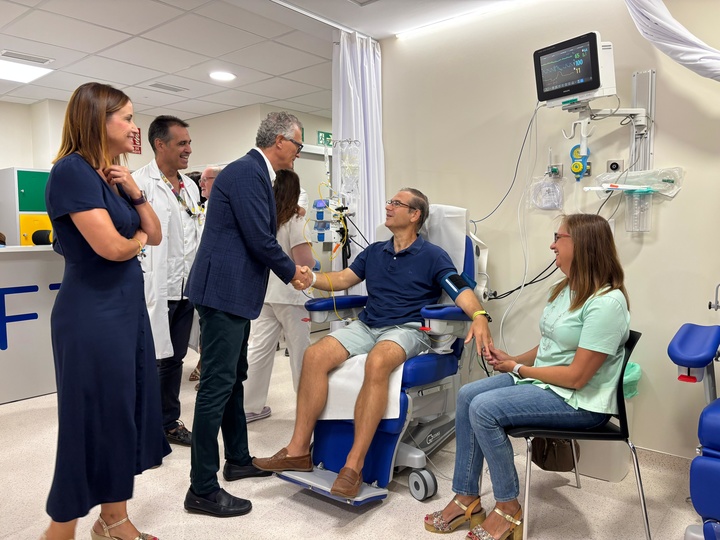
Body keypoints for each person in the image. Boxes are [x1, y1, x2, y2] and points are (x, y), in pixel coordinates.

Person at [253, 188, 493, 499]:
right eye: (390, 201)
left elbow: (459, 289)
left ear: (415, 215)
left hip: (407, 328)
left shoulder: (433, 255)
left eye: (397, 203)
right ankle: (298, 450)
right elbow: (343, 278)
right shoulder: (375, 251)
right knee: (314, 355)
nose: (388, 206)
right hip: (368, 325)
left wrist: (479, 315)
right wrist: (310, 278)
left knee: (378, 360)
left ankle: (354, 465)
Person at [423, 213, 630, 540]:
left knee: (484, 409)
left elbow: (577, 377)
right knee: (467, 396)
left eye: (558, 238)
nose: (552, 245)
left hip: (580, 401)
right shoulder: (568, 288)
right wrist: (514, 359)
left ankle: (508, 508)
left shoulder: (607, 303)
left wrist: (519, 370)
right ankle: (466, 497)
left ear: (583, 244)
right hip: (548, 384)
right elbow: (552, 345)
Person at [41, 82, 169, 540]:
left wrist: (135, 192)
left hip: (124, 311)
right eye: (127, 117)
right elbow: (113, 247)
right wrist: (136, 240)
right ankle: (59, 531)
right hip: (92, 314)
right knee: (89, 420)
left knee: (122, 414)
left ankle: (113, 519)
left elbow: (154, 233)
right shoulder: (71, 171)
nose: (135, 127)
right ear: (98, 118)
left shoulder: (110, 174)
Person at [183, 111, 313, 518]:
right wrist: (293, 272)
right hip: (223, 292)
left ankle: (238, 458)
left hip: (233, 293)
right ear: (280, 141)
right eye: (298, 144)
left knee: (233, 378)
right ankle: (202, 488)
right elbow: (259, 238)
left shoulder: (257, 174)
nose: (298, 152)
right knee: (216, 386)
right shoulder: (245, 172)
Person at [132, 115, 203, 447]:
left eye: (189, 142)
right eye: (181, 143)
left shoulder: (190, 186)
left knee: (174, 359)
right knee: (147, 360)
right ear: (160, 144)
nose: (188, 149)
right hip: (154, 287)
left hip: (185, 288)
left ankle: (168, 423)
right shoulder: (138, 183)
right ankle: (141, 424)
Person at [244, 168, 315, 423]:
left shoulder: (263, 219)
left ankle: (249, 407)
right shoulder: (295, 221)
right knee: (301, 352)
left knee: (259, 350)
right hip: (292, 295)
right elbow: (305, 261)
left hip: (265, 293)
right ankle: (307, 408)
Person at [189, 165, 223, 388]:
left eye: (205, 179)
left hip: (213, 281)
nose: (201, 184)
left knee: (210, 332)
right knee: (203, 328)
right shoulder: (202, 208)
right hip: (197, 277)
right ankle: (205, 367)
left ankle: (207, 370)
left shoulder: (219, 207)